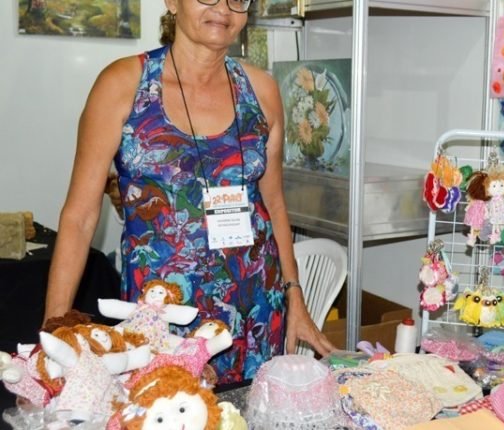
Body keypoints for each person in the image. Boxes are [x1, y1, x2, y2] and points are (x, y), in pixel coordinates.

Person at [44, 0, 335, 383]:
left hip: (255, 313)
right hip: (161, 317)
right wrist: (54, 333)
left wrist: (295, 297)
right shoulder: (124, 85)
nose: (223, 8)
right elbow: (80, 218)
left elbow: (275, 204)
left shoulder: (261, 91)